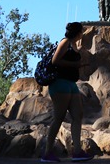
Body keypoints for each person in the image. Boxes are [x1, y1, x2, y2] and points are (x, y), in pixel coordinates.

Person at [42, 22, 92, 162]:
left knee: (78, 114)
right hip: (60, 83)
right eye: (81, 31)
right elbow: (55, 60)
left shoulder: (75, 45)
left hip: (71, 83)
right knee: (59, 117)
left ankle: (77, 151)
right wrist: (74, 64)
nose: (82, 34)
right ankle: (47, 153)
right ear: (77, 33)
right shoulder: (65, 42)